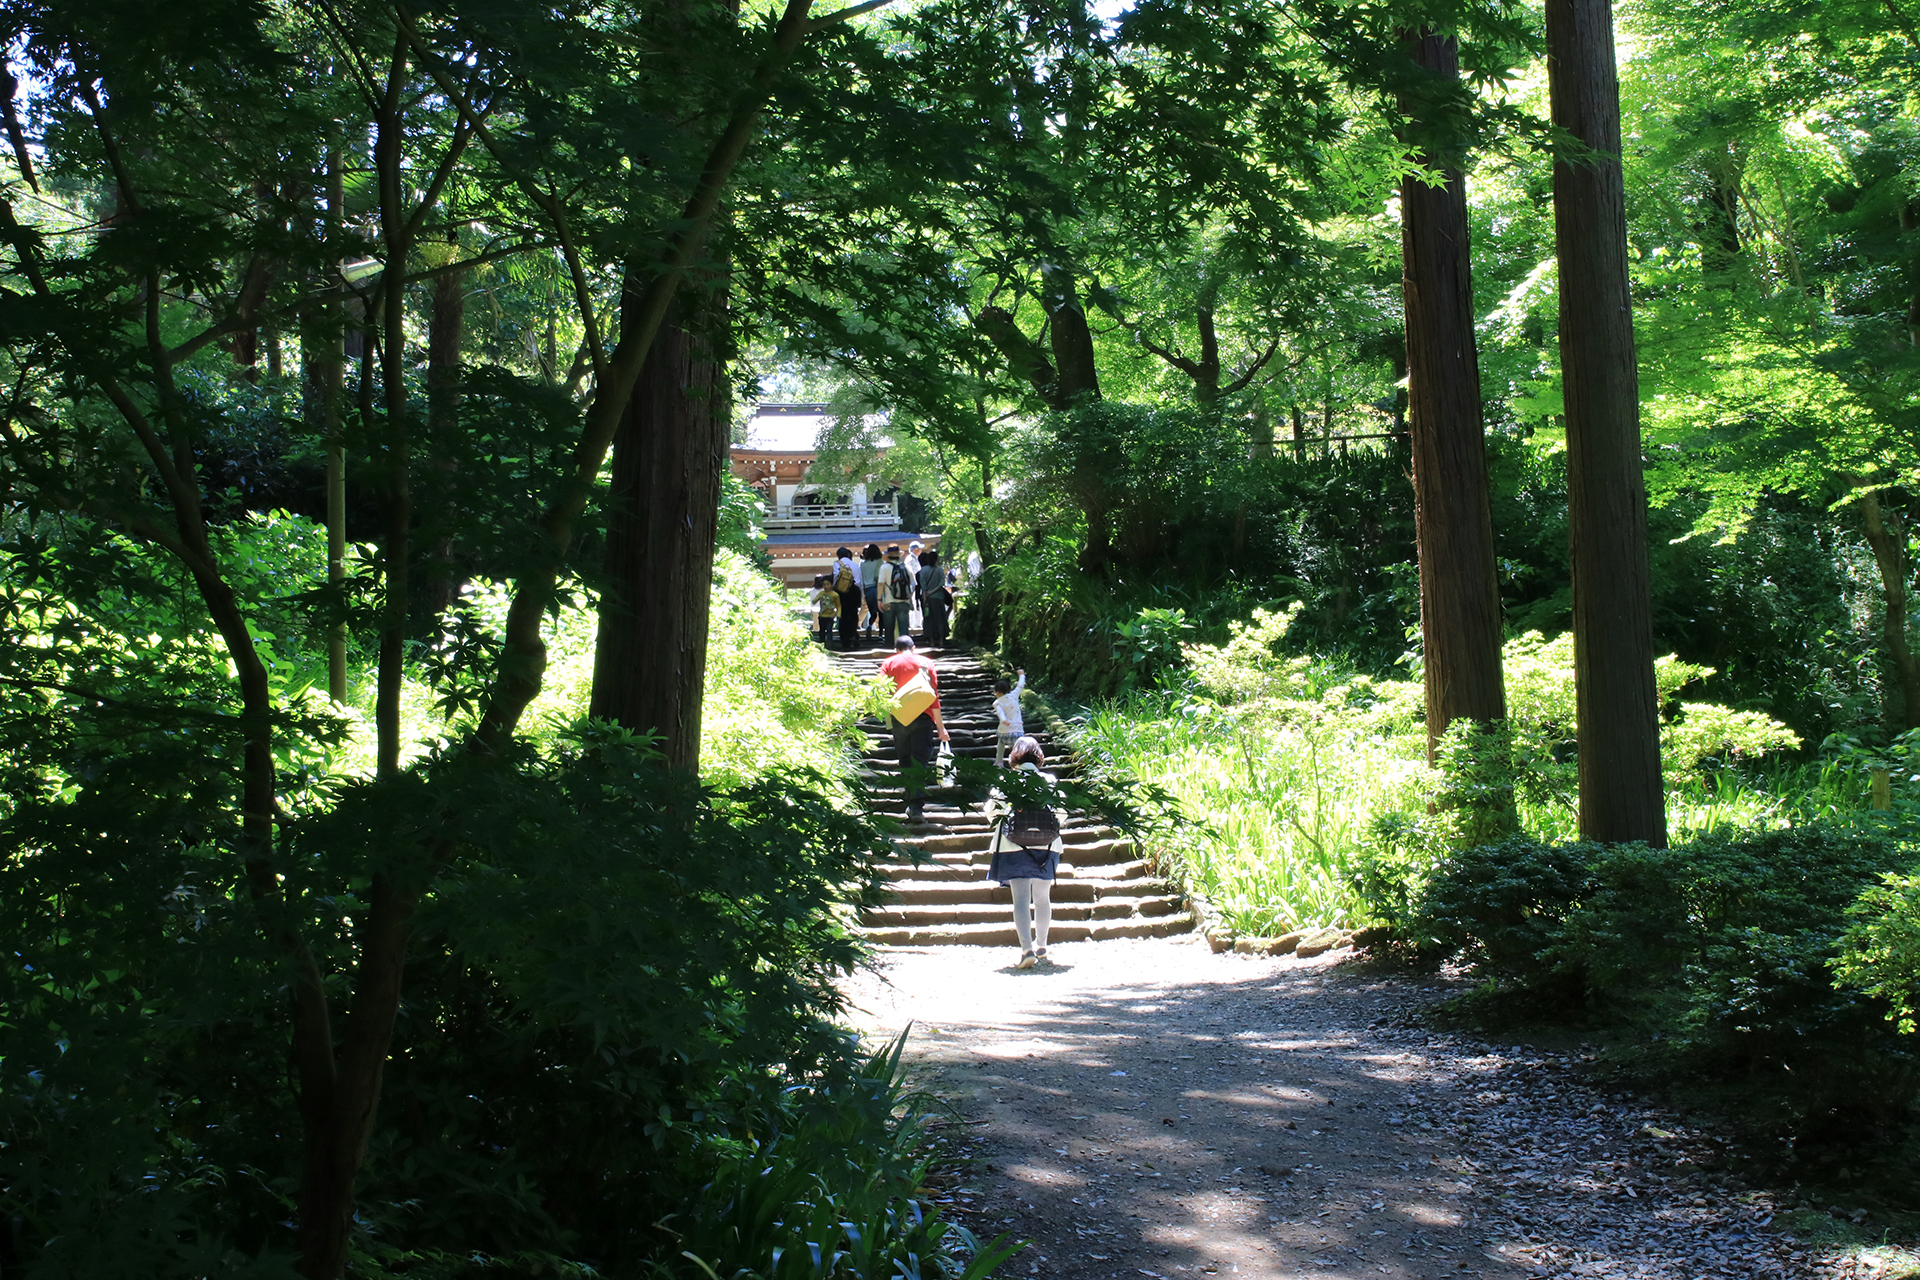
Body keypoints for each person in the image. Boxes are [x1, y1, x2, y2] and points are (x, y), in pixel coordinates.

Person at [987, 735, 1064, 967]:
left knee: (1020, 900)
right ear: (1038, 757)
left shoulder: (1005, 780)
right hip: (1047, 845)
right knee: (1042, 898)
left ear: (1014, 757)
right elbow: (1062, 814)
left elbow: (992, 813)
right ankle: (1042, 945)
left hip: (1013, 846)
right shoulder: (1049, 781)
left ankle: (1026, 949)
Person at [880, 636, 949, 823]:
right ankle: (916, 808)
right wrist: (941, 728)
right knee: (920, 761)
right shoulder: (926, 663)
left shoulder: (889, 663)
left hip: (899, 717)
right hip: (924, 717)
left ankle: (910, 801)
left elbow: (880, 690)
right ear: (914, 648)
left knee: (904, 760)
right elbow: (933, 696)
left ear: (897, 650)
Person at [992, 668, 1027, 767]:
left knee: (1001, 745)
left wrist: (1004, 720)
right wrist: (1021, 675)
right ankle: (1018, 764)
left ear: (996, 692)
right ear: (1009, 689)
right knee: (1017, 748)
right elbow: (1020, 685)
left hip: (1004, 730)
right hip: (1017, 729)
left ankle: (999, 762)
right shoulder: (1014, 695)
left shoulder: (997, 702)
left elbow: (1000, 712)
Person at [878, 544, 913, 644]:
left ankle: (889, 648)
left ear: (888, 556)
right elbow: (913, 583)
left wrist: (879, 599)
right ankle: (906, 647)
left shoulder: (884, 567)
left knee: (889, 627)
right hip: (904, 601)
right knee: (904, 627)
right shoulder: (906, 567)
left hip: (889, 601)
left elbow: (880, 584)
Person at [916, 548, 950, 647]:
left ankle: (931, 641)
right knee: (940, 618)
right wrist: (933, 591)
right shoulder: (939, 569)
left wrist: (926, 595)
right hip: (939, 597)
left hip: (927, 598)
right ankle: (941, 640)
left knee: (929, 619)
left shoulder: (923, 570)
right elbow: (941, 584)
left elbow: (923, 585)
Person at [833, 545, 861, 649]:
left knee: (843, 615)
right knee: (853, 614)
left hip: (843, 592)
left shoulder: (837, 564)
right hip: (855, 591)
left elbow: (836, 576)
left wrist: (834, 589)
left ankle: (845, 640)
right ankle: (853, 634)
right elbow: (859, 581)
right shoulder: (855, 565)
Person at [858, 543, 884, 640]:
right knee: (881, 612)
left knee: (873, 612)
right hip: (878, 588)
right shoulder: (879, 562)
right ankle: (881, 634)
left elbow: (860, 578)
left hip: (867, 589)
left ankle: (869, 625)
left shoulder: (862, 563)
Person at [807, 573, 839, 645]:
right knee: (828, 627)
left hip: (817, 609)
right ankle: (828, 641)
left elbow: (813, 601)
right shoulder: (825, 591)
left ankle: (822, 641)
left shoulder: (813, 591)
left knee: (819, 626)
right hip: (825, 610)